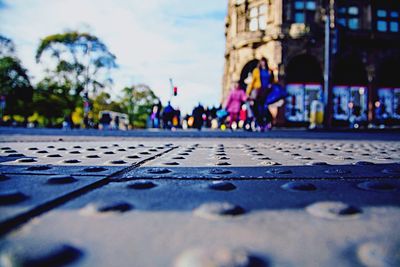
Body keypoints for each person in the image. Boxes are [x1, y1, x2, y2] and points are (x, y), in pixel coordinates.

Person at [246, 57, 274, 131]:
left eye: (264, 61)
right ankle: (260, 123)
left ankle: (267, 122)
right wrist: (248, 92)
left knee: (265, 107)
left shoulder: (270, 71)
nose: (263, 63)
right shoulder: (256, 71)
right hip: (258, 90)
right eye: (262, 62)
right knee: (257, 107)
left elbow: (273, 80)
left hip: (267, 91)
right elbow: (252, 82)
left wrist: (271, 84)